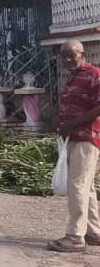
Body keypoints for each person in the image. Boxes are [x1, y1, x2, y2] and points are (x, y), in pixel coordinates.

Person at [49, 40, 100, 252]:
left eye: (72, 55)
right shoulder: (73, 77)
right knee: (86, 187)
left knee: (76, 185)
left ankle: (75, 236)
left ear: (83, 54)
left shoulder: (93, 74)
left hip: (87, 137)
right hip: (72, 137)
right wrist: (60, 122)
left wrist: (72, 124)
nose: (68, 60)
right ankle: (94, 232)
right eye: (64, 56)